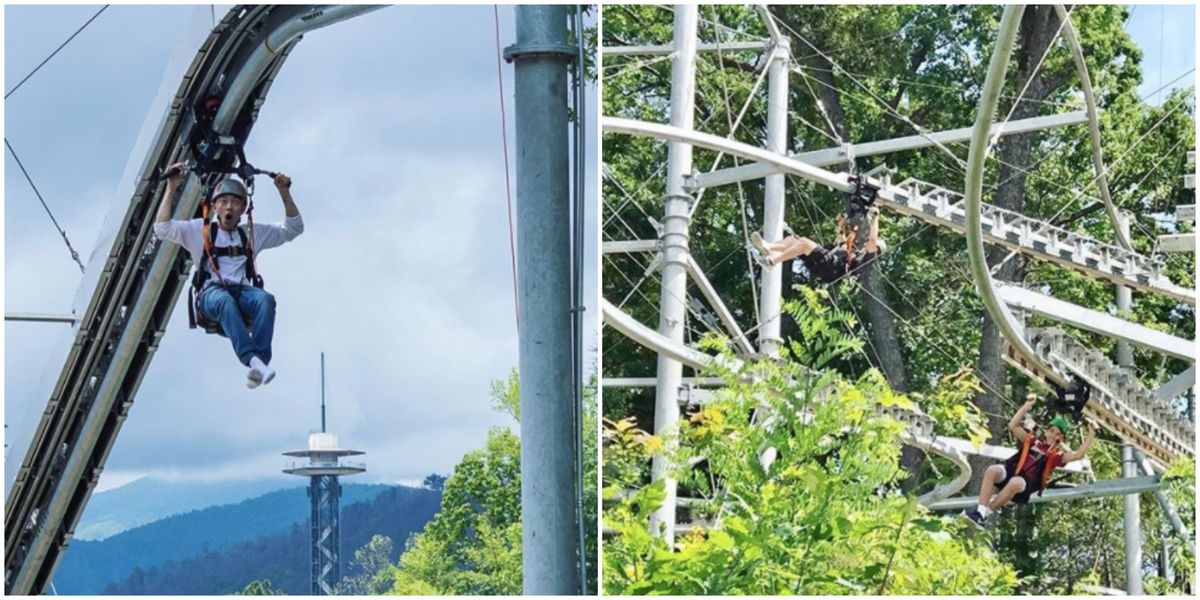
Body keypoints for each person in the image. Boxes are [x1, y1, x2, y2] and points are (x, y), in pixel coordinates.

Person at [153, 163, 304, 388]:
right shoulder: (199, 230)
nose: (228, 207)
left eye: (234, 202)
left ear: (243, 208)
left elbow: (293, 228)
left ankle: (259, 364)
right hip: (211, 295)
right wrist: (171, 187)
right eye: (223, 202)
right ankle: (254, 360)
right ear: (214, 207)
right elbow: (162, 228)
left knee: (265, 300)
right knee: (224, 301)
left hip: (242, 293)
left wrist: (285, 193)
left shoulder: (253, 233)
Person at [961, 394, 1097, 528]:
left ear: (1061, 439)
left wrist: (1091, 434)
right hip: (1012, 472)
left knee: (1015, 482)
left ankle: (985, 515)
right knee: (992, 470)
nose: (1053, 435)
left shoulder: (1056, 456)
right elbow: (1013, 425)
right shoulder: (1033, 442)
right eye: (1052, 431)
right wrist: (1027, 405)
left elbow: (1078, 455)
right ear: (1047, 431)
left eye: (1058, 434)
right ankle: (980, 511)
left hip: (1025, 484)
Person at [750, 206, 886, 284]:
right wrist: (842, 221)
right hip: (825, 267)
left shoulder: (869, 258)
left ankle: (771, 261)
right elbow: (840, 239)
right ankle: (767, 247)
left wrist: (876, 218)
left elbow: (873, 240)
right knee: (793, 240)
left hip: (832, 267)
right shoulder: (853, 252)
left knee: (804, 243)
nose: (867, 242)